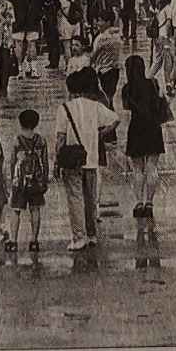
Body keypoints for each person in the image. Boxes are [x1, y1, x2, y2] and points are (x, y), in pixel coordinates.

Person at [55, 68, 118, 250]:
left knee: (75, 198)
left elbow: (60, 138)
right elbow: (115, 119)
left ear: (71, 90)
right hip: (91, 158)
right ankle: (92, 235)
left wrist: (56, 162)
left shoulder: (64, 108)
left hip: (72, 161)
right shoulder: (94, 105)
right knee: (90, 199)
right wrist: (100, 134)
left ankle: (79, 237)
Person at [122, 54, 167, 219]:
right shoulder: (153, 84)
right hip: (153, 127)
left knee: (138, 169)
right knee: (152, 168)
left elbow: (126, 107)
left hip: (136, 128)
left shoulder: (127, 89)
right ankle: (150, 202)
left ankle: (139, 202)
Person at [7, 108, 49, 252]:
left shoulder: (17, 141)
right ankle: (34, 240)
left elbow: (12, 161)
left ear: (20, 123)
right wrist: (44, 179)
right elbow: (45, 162)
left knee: (16, 210)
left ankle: (13, 241)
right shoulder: (41, 141)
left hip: (20, 182)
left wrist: (12, 178)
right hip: (36, 181)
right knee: (35, 209)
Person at [90, 22, 125, 103]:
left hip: (104, 68)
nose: (97, 23)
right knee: (111, 91)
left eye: (100, 21)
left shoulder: (101, 37)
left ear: (107, 22)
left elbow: (95, 52)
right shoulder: (118, 33)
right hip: (115, 67)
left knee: (105, 90)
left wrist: (92, 63)